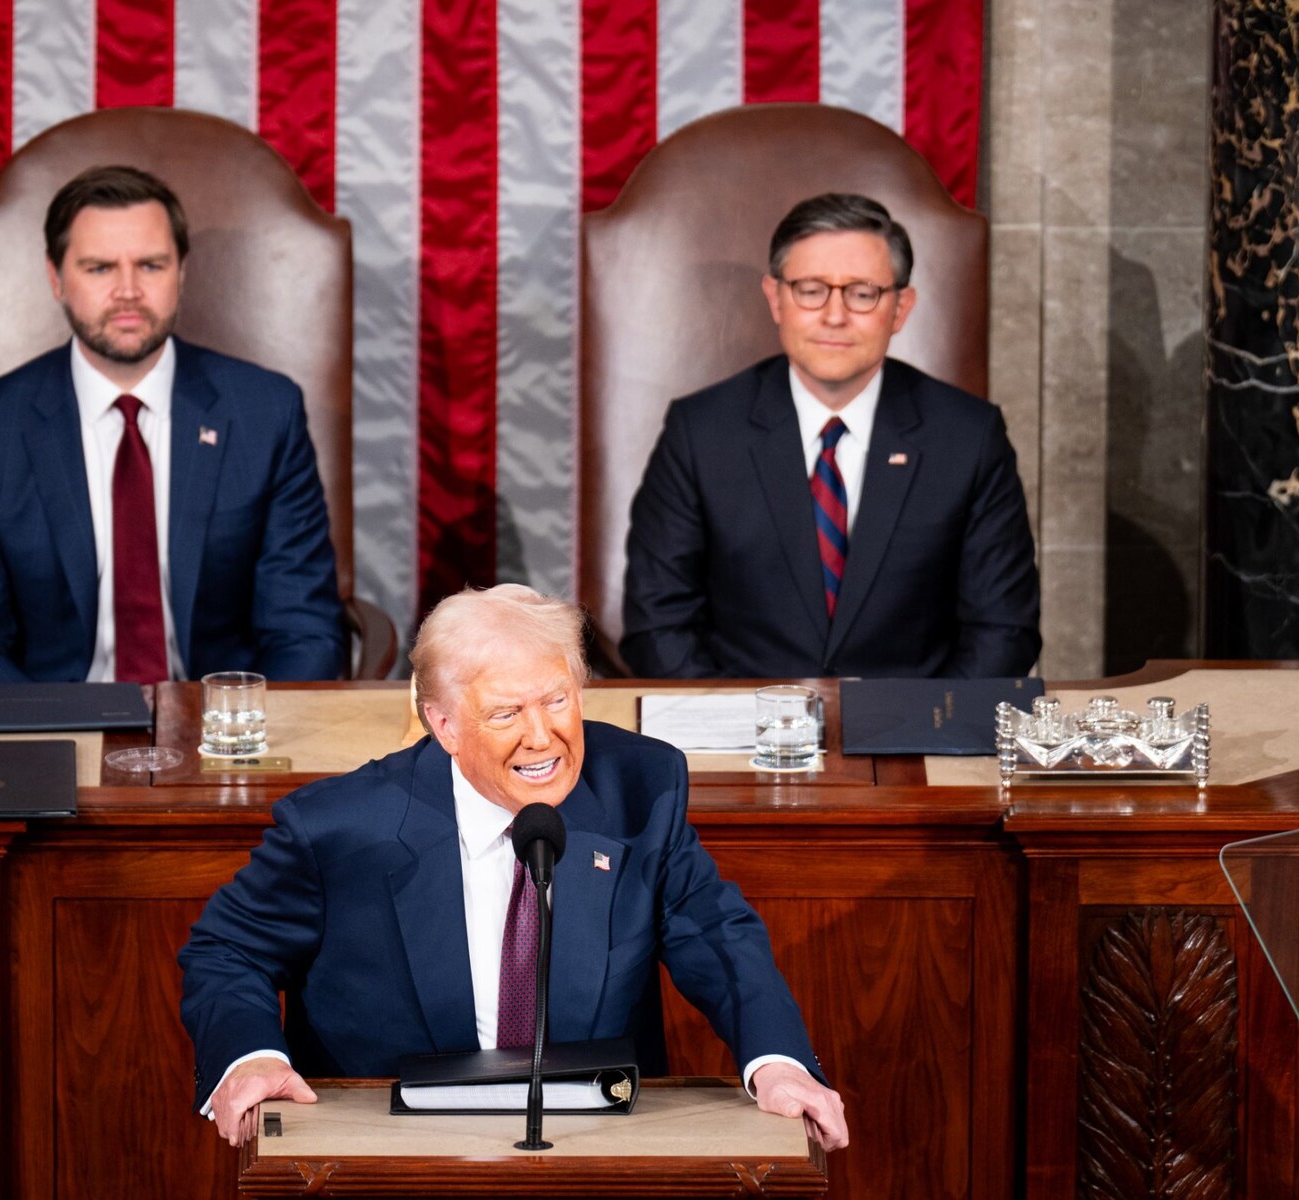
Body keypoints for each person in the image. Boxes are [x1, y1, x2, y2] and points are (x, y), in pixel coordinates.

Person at [178, 584, 849, 1151]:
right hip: (392, 1156)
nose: (541, 736)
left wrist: (778, 1061)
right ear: (443, 726)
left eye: (557, 699)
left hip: (591, 1151)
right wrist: (252, 1057)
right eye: (505, 713)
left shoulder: (640, 790)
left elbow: (718, 935)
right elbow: (226, 950)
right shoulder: (340, 826)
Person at [0, 165, 343, 683]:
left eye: (150, 265)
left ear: (181, 273)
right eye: (99, 268)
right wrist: (48, 736)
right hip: (53, 733)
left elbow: (305, 632)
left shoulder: (264, 413)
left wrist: (240, 737)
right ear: (56, 279)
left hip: (224, 739)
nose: (127, 290)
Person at [622, 193, 1041, 679]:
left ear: (901, 307)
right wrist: (738, 732)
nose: (835, 315)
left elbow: (1003, 628)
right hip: (740, 737)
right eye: (811, 289)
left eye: (862, 292)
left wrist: (923, 732)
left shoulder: (968, 437)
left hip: (913, 739)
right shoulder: (700, 432)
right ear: (775, 297)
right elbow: (657, 624)